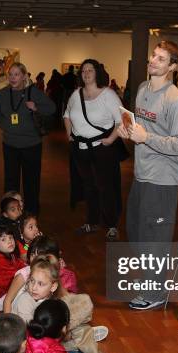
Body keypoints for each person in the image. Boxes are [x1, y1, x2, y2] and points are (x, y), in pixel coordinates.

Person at [117, 40, 178, 310]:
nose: (152, 61)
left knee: (155, 238)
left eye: (161, 59)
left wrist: (146, 137)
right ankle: (151, 279)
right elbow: (140, 128)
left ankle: (156, 292)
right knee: (136, 231)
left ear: (172, 66)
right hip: (142, 174)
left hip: (162, 180)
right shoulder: (142, 88)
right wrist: (129, 131)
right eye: (153, 56)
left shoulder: (175, 101)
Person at [64, 59, 124, 240]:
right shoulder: (76, 94)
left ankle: (112, 225)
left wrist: (111, 139)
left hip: (102, 148)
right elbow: (67, 115)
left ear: (97, 73)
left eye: (90, 70)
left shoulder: (108, 94)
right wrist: (70, 135)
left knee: (106, 187)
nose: (87, 73)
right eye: (83, 71)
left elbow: (122, 120)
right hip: (81, 148)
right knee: (88, 186)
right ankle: (91, 222)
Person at [0, 62, 55, 215]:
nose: (13, 78)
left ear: (24, 76)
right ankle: (10, 211)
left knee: (31, 181)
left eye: (17, 74)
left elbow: (52, 108)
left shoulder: (33, 92)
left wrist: (36, 107)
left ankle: (31, 212)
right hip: (10, 144)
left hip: (31, 145)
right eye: (10, 74)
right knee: (10, 181)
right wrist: (4, 125)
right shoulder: (2, 94)